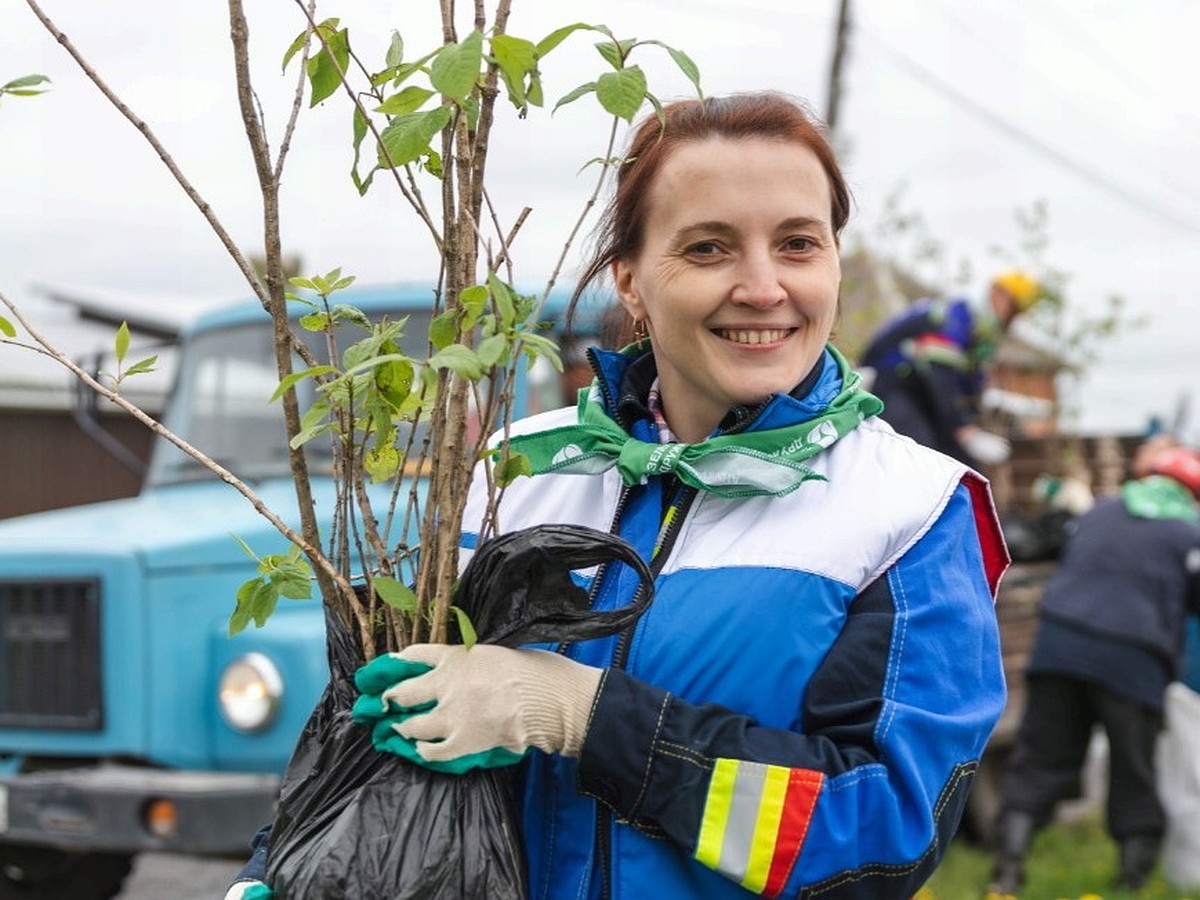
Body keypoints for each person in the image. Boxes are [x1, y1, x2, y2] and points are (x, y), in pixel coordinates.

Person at [227, 91, 1009, 899]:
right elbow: (382, 724)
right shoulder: (513, 474)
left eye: (799, 245)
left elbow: (883, 837)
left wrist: (588, 718)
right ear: (630, 281)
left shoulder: (911, 509)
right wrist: (272, 868)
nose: (765, 287)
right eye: (709, 249)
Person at [989, 444, 1200, 895]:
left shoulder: (1104, 511)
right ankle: (1131, 883)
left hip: (1058, 645)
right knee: (1134, 768)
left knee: (1041, 757)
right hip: (1133, 658)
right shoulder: (1188, 533)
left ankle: (1007, 870)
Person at [858, 270, 1041, 468]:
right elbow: (940, 374)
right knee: (919, 455)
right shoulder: (958, 316)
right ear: (998, 293)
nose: (1012, 318)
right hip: (894, 382)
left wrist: (970, 423)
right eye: (1013, 308)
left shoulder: (982, 333)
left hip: (924, 393)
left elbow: (968, 387)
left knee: (960, 466)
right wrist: (963, 430)